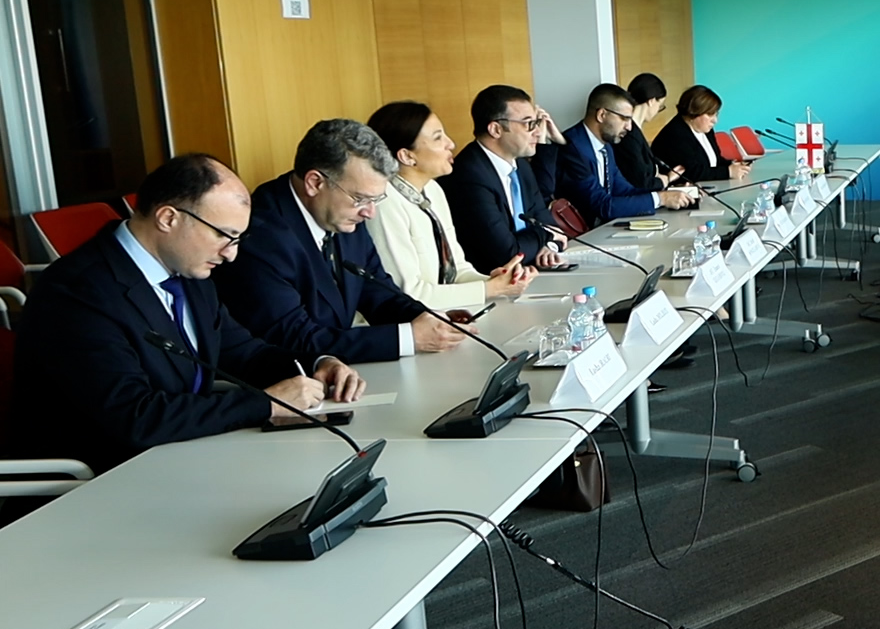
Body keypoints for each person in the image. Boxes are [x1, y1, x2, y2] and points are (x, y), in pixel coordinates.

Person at [10, 154, 362, 474]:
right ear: (168, 218)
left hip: (185, 455)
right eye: (225, 236)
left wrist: (319, 363)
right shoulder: (77, 293)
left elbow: (245, 353)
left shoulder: (188, 271)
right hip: (103, 479)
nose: (231, 255)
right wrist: (265, 404)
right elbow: (135, 417)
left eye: (238, 239)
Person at [216, 119, 466, 364]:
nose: (370, 212)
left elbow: (378, 291)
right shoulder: (260, 238)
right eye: (361, 199)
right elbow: (294, 338)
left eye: (375, 200)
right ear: (315, 183)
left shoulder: (342, 212)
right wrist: (408, 338)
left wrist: (428, 319)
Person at [364, 100, 535, 312]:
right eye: (438, 138)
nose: (451, 144)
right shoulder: (384, 202)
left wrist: (500, 281)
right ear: (407, 156)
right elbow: (409, 294)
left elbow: (458, 271)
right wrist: (488, 289)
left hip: (444, 315)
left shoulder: (433, 189)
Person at [443, 84, 570, 272]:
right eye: (529, 124)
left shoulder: (520, 165)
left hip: (528, 273)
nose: (537, 132)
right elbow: (507, 254)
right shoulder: (469, 176)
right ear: (496, 129)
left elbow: (551, 226)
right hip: (490, 279)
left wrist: (549, 247)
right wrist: (545, 235)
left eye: (536, 123)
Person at [557, 83, 695, 226]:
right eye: (624, 118)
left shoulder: (606, 146)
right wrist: (661, 199)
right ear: (602, 115)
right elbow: (602, 205)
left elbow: (625, 191)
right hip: (582, 234)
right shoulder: (572, 148)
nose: (629, 127)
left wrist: (673, 194)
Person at [651, 84, 748, 184]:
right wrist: (728, 172)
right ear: (694, 111)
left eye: (716, 114)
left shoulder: (706, 129)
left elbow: (714, 161)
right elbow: (691, 172)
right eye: (710, 114)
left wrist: (733, 164)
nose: (715, 120)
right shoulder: (674, 135)